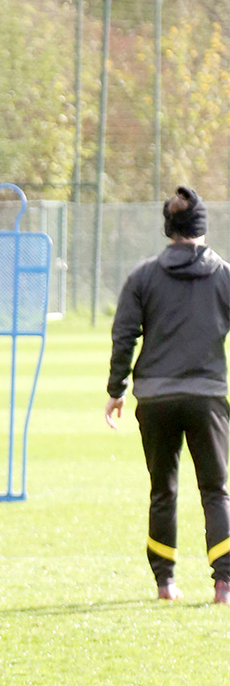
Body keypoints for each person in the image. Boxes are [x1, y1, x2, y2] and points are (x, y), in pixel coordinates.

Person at [106, 185, 230, 603]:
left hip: (155, 397)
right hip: (207, 396)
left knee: (163, 490)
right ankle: (224, 585)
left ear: (168, 228)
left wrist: (116, 389)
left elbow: (124, 336)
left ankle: (166, 584)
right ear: (201, 227)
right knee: (215, 491)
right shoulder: (224, 274)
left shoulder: (143, 276)